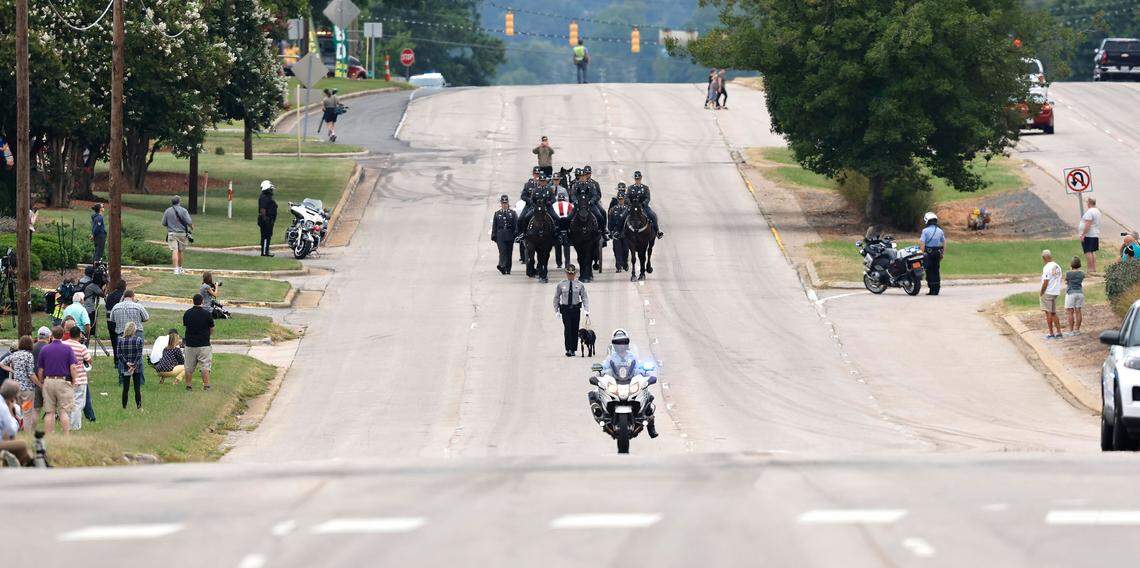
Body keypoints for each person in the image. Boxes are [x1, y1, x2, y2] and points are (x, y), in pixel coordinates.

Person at [595, 329, 658, 438]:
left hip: (630, 382)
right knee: (595, 394)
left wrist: (645, 373)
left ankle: (651, 428)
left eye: (623, 342)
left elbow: (638, 367)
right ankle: (601, 414)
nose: (621, 346)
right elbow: (603, 367)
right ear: (614, 345)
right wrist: (599, 373)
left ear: (627, 343)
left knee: (649, 396)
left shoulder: (632, 357)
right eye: (618, 343)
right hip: (615, 382)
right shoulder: (611, 358)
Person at [36, 326, 77, 434]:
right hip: (62, 381)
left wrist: (41, 382)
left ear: (52, 336)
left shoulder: (45, 349)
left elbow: (40, 370)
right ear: (63, 335)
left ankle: (49, 435)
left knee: (49, 412)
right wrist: (74, 381)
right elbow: (73, 367)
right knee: (63, 411)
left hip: (48, 381)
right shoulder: (67, 349)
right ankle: (66, 435)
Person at [0, 336, 37, 433]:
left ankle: (16, 428)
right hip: (27, 389)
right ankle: (27, 433)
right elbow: (30, 374)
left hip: (16, 388)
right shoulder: (29, 356)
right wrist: (39, 383)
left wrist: (13, 370)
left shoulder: (14, 355)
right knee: (27, 411)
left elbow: (2, 364)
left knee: (18, 409)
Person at [553, 265, 590, 358]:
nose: (570, 276)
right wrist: (556, 310)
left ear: (575, 274)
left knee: (575, 329)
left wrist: (586, 309)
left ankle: (573, 349)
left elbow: (584, 297)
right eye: (569, 274)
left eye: (572, 274)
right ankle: (568, 349)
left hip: (575, 309)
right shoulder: (561, 284)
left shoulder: (580, 285)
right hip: (565, 309)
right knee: (568, 329)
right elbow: (556, 297)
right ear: (566, 273)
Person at [183, 294, 215, 391]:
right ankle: (206, 385)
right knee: (205, 366)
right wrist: (208, 335)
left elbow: (186, 326)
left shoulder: (187, 313)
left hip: (190, 344)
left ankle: (188, 385)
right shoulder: (207, 314)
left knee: (188, 367)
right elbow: (212, 328)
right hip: (204, 344)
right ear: (202, 301)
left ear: (193, 301)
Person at [63, 326, 91, 431]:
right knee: (79, 403)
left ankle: (67, 424)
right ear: (79, 335)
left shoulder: (64, 344)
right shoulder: (82, 347)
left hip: (65, 377)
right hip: (80, 378)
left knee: (68, 402)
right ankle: (75, 426)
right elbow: (89, 360)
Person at [0, 380, 31, 466]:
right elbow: (12, 430)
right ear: (12, 396)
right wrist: (11, 413)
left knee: (9, 439)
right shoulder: (3, 407)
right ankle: (27, 466)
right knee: (22, 444)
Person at [161, 196, 194, 274]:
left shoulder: (167, 211)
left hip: (172, 233)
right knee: (180, 251)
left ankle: (175, 270)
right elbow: (189, 222)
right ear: (179, 202)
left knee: (174, 251)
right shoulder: (184, 210)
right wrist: (192, 227)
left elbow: (164, 223)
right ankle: (180, 268)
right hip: (182, 234)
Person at [627, 171, 663, 238]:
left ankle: (657, 231)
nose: (637, 180)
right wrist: (630, 204)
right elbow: (627, 197)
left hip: (643, 207)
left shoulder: (645, 188)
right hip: (632, 207)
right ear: (634, 179)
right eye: (636, 179)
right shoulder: (630, 188)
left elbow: (648, 198)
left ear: (641, 178)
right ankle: (622, 232)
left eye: (638, 178)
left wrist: (643, 204)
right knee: (624, 216)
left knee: (653, 215)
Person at [117, 322, 144, 410]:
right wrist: (134, 364)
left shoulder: (120, 340)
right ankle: (139, 406)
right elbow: (139, 354)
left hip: (126, 367)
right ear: (134, 330)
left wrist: (126, 363)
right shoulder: (139, 339)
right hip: (137, 367)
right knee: (137, 388)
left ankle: (124, 407)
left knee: (126, 388)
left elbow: (119, 354)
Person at [919, 212, 946, 296]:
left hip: (928, 253)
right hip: (937, 253)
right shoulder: (940, 231)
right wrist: (943, 253)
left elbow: (922, 243)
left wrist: (921, 254)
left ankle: (931, 290)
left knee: (929, 271)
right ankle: (936, 290)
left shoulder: (925, 231)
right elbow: (944, 242)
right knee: (936, 270)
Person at [491, 195, 518, 275]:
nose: (504, 205)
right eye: (503, 203)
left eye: (505, 203)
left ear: (508, 203)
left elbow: (515, 225)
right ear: (501, 204)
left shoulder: (512, 213)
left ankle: (508, 269)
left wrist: (515, 234)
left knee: (509, 253)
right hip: (500, 235)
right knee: (502, 251)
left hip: (510, 235)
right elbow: (494, 226)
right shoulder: (497, 213)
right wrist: (493, 235)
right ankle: (501, 265)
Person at [1040, 250, 1064, 339]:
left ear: (1043, 258)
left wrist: (1042, 292)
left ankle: (1051, 333)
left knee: (1048, 313)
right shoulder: (1057, 266)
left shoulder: (1046, 267)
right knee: (1054, 312)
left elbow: (1046, 281)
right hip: (1055, 291)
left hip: (1048, 292)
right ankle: (1059, 332)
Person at [609, 189, 631, 272]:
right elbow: (610, 221)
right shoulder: (613, 209)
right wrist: (611, 231)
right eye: (619, 199)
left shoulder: (628, 209)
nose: (621, 200)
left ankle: (625, 263)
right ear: (617, 200)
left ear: (624, 199)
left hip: (625, 233)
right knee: (617, 250)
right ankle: (618, 266)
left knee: (625, 249)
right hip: (616, 232)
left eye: (622, 199)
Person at [105, 279, 127, 362]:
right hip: (119, 322)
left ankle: (116, 360)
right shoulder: (123, 296)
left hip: (109, 321)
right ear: (124, 286)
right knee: (121, 342)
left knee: (114, 342)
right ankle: (120, 360)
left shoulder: (109, 295)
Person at [1078, 197, 1101, 273]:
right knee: (1092, 251)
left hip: (1089, 235)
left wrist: (1083, 234)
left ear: (1089, 203)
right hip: (1095, 234)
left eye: (1087, 202)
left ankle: (1090, 269)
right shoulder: (1097, 211)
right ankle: (1093, 268)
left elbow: (1088, 224)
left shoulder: (1090, 212)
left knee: (1088, 251)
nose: (1086, 203)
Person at [553, 191, 574, 269]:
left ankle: (559, 263)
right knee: (566, 246)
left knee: (557, 245)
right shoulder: (571, 205)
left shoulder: (553, 205)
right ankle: (567, 263)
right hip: (567, 228)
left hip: (557, 227)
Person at [1065, 256, 1085, 336]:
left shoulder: (1068, 273)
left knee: (1070, 312)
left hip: (1071, 293)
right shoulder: (1082, 273)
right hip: (1080, 293)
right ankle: (1077, 330)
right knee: (1078, 311)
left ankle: (1071, 331)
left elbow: (1066, 280)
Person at [258, 180, 278, 257]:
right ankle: (264, 253)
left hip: (269, 219)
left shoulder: (267, 197)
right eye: (271, 189)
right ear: (267, 189)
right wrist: (266, 219)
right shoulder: (264, 197)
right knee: (266, 236)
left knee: (268, 236)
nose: (272, 190)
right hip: (266, 220)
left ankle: (266, 251)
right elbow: (262, 209)